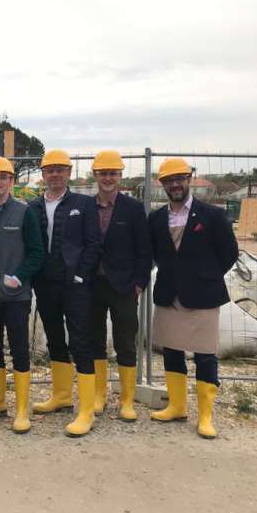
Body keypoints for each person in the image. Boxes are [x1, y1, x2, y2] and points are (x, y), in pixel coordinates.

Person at [149, 158, 238, 439]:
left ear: (189, 179)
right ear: (162, 184)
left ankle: (205, 416)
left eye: (180, 178)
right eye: (169, 180)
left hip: (203, 294)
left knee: (205, 355)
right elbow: (155, 253)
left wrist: (205, 276)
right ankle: (177, 406)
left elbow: (229, 253)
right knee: (172, 350)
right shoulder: (156, 218)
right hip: (168, 293)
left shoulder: (212, 215)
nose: (175, 184)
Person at [29, 149, 101, 437]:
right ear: (43, 174)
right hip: (46, 284)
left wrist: (82, 276)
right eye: (50, 170)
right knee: (55, 339)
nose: (55, 174)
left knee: (80, 341)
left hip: (76, 285)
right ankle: (60, 396)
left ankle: (86, 409)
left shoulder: (83, 204)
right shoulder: (33, 206)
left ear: (69, 173)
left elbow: (93, 244)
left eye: (60, 169)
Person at [0, 157, 43, 434]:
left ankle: (22, 410)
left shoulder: (23, 213)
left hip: (16, 297)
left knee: (19, 351)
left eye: (4, 176)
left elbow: (37, 252)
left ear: (12, 181)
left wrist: (19, 277)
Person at [88, 150, 151, 421]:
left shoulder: (133, 209)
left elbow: (144, 250)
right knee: (94, 341)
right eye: (103, 173)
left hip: (124, 286)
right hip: (93, 284)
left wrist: (139, 283)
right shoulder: (86, 207)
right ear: (95, 175)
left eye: (113, 173)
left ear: (120, 176)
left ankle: (126, 401)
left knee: (125, 341)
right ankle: (98, 396)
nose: (108, 178)